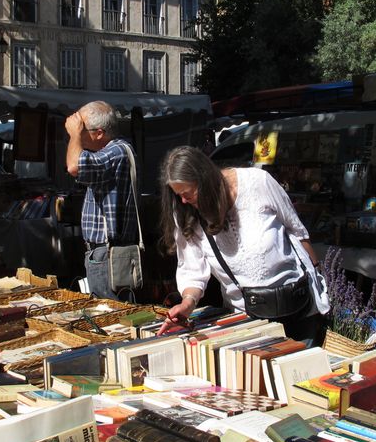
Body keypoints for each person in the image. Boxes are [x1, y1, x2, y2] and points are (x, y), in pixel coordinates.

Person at [156, 146, 329, 345]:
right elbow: (192, 270)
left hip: (297, 308)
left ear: (205, 180)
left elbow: (297, 232)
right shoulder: (186, 213)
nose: (183, 200)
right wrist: (187, 303)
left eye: (188, 193)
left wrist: (321, 281)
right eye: (178, 195)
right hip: (245, 321)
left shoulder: (258, 182)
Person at [64, 100, 140, 299]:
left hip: (107, 253)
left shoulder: (116, 152)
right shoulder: (113, 151)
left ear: (99, 133)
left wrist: (73, 135)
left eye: (82, 129)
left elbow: (74, 167)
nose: (78, 134)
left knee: (109, 314)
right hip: (104, 252)